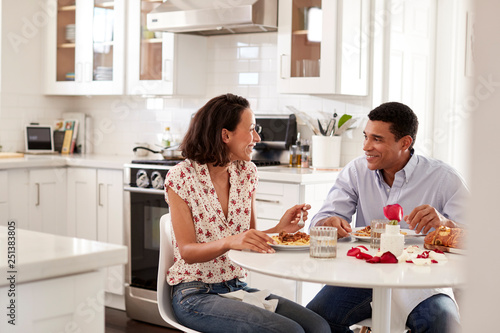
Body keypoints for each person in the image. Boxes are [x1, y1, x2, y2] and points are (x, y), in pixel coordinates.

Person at [164, 93, 330, 333]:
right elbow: (188, 252)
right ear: (225, 135)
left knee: (318, 327)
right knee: (290, 331)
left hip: (236, 287)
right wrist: (231, 241)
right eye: (251, 129)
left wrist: (279, 230)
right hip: (194, 294)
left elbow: (247, 238)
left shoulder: (246, 172)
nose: (257, 138)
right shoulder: (182, 177)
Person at [306, 102, 468, 333]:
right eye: (366, 137)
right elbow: (321, 220)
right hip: (365, 275)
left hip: (422, 280)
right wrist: (329, 222)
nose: (366, 147)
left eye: (377, 139)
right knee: (315, 320)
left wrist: (445, 224)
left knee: (442, 321)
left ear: (405, 142)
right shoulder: (356, 171)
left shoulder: (444, 178)